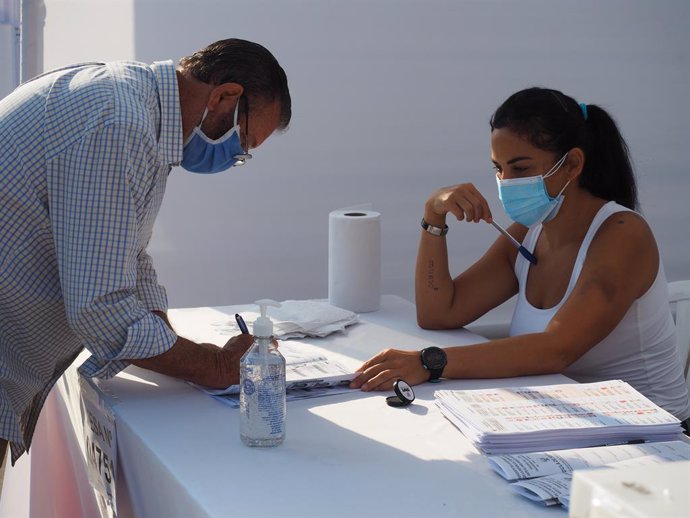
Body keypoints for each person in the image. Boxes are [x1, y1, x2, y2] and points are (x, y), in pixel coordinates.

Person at [0, 38, 292, 466]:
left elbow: (126, 257)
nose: (233, 158)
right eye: (243, 142)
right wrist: (214, 366)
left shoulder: (133, 106)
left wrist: (176, 345)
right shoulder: (119, 123)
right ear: (225, 96)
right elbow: (100, 307)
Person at [350, 87, 690, 426]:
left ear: (572, 164)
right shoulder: (529, 231)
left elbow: (556, 349)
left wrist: (430, 362)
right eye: (498, 169)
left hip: (655, 434)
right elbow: (440, 312)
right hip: (569, 422)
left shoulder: (622, 233)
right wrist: (433, 216)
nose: (506, 183)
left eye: (520, 168)